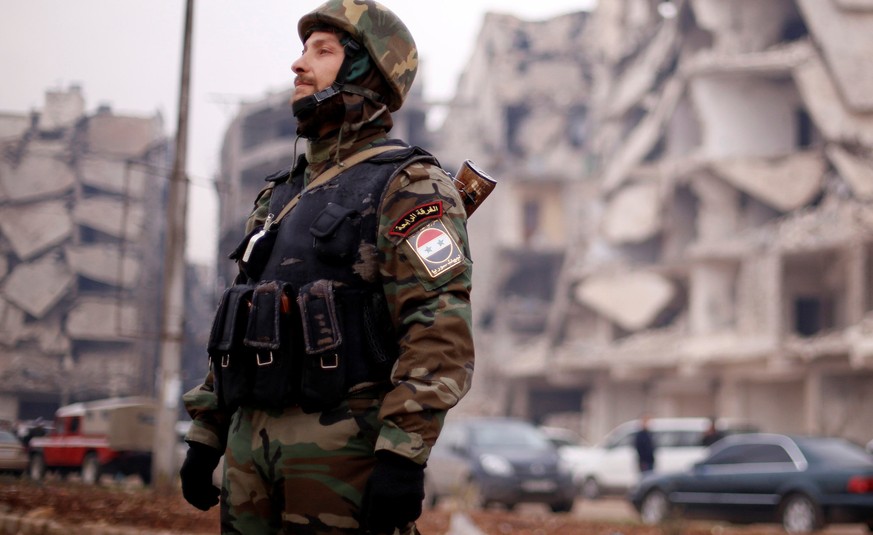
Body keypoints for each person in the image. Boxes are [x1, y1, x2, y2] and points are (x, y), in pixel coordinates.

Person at [179, 1, 475, 533]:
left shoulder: (411, 186)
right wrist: (207, 434)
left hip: (343, 459)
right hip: (252, 458)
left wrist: (403, 455)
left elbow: (439, 329)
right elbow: (241, 326)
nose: (298, 64)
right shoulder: (278, 194)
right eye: (302, 49)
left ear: (366, 69)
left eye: (323, 50)